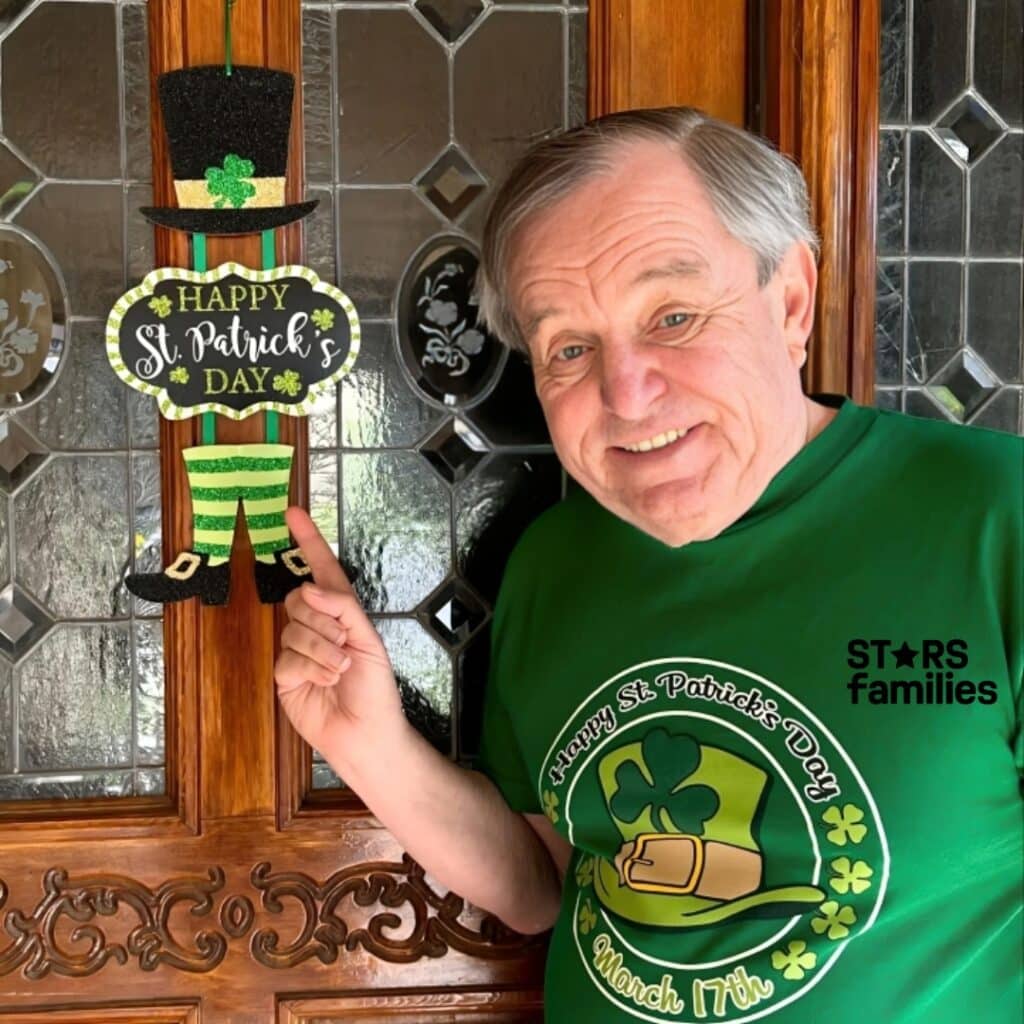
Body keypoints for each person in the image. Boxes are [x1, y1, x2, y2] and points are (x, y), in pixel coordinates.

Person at [274, 108, 1023, 1023]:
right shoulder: (554, 562)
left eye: (673, 316)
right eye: (571, 349)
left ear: (790, 301)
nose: (625, 395)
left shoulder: (996, 521)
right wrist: (371, 748)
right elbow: (541, 883)